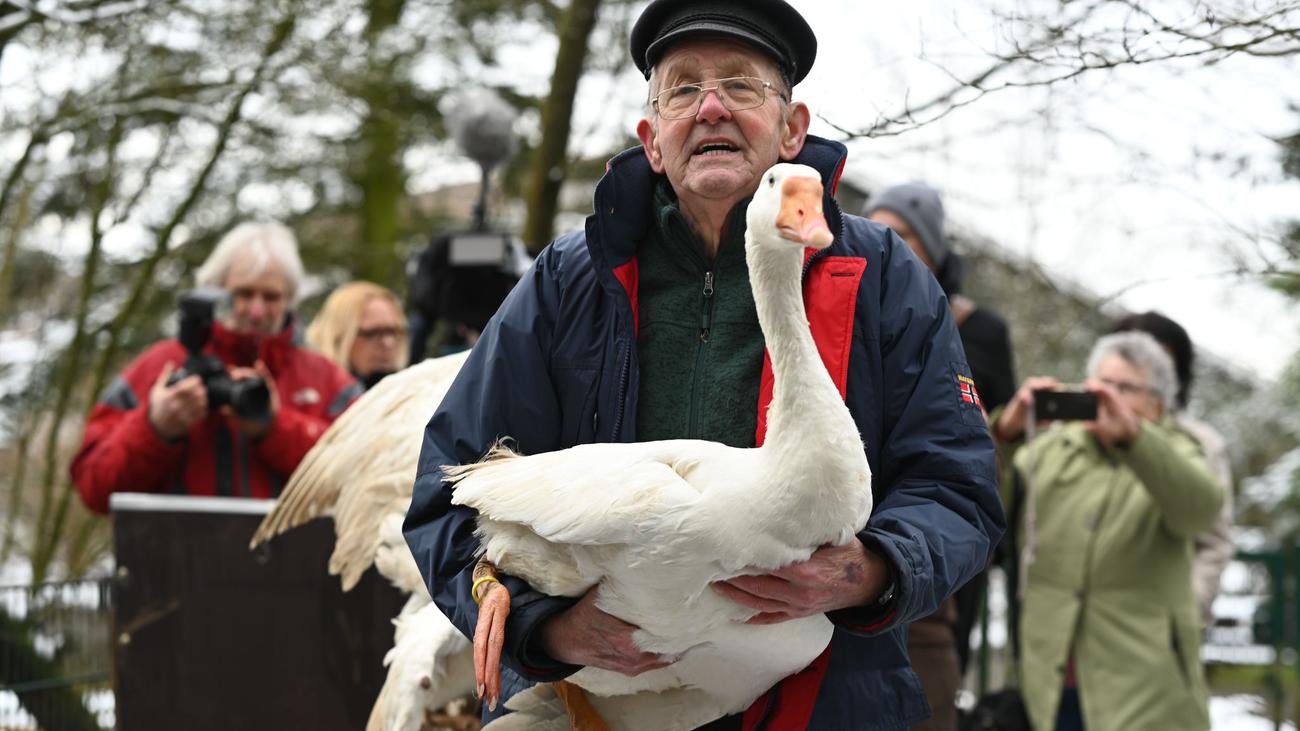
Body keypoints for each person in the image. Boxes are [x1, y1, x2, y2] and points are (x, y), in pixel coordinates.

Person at [403, 1, 1005, 728]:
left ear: (793, 128)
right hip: (598, 707)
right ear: (652, 139)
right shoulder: (569, 278)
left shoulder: (882, 278)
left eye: (742, 85)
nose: (712, 106)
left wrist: (869, 570)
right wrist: (546, 630)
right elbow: (447, 493)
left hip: (826, 705)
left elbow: (959, 487)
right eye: (683, 88)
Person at [990, 332, 1222, 731]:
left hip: (1144, 689)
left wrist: (1135, 440)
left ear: (1158, 403)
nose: (1107, 397)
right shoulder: (1049, 449)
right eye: (1101, 384)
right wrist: (1005, 435)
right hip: (1050, 681)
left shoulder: (1181, 449)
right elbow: (983, 502)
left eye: (1125, 388)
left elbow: (1199, 511)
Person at [70, 222, 363, 514]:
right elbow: (93, 487)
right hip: (176, 557)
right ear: (214, 291)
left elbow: (366, 480)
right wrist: (154, 428)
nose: (257, 311)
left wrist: (275, 428)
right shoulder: (160, 367)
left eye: (271, 297)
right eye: (244, 294)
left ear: (290, 300)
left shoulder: (327, 380)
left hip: (294, 558)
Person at [867, 183, 1017, 731]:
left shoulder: (981, 329)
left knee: (932, 669)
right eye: (877, 227)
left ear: (932, 245)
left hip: (945, 527)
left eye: (903, 233)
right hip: (865, 528)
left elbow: (986, 432)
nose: (887, 242)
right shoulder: (858, 314)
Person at [1111, 311, 1234, 625]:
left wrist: (1185, 613)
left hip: (1158, 632)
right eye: (1134, 356)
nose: (1145, 369)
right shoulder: (1071, 436)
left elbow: (1214, 542)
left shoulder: (1200, 443)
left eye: (1160, 360)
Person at [305, 281, 409, 390]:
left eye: (393, 332)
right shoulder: (312, 396)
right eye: (372, 333)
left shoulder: (414, 395)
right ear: (338, 338)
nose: (388, 343)